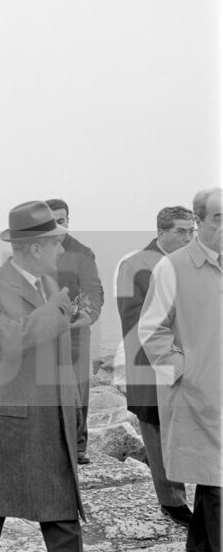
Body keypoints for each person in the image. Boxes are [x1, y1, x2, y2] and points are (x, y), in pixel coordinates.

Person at [0, 200, 94, 552]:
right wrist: (57, 308)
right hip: (9, 414)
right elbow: (10, 341)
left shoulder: (47, 283)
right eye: (56, 242)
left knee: (60, 512)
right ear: (36, 247)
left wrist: (74, 407)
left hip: (52, 410)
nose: (62, 248)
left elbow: (60, 355)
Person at [139, 188, 222, 552]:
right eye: (218, 218)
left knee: (215, 470)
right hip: (196, 388)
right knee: (216, 473)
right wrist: (182, 371)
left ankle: (199, 543)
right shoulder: (171, 267)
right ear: (200, 221)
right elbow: (152, 330)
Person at [116, 206, 194, 527]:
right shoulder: (134, 265)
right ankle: (171, 502)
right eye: (182, 231)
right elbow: (135, 322)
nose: (190, 237)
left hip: (192, 363)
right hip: (151, 367)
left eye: (192, 231)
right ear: (161, 232)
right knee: (158, 431)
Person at [46, 199, 104, 465]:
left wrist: (85, 316)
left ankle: (79, 446)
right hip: (43, 333)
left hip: (76, 333)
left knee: (78, 391)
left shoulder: (83, 253)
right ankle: (51, 441)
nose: (57, 225)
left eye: (62, 220)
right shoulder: (34, 250)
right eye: (51, 220)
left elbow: (94, 291)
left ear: (68, 221)